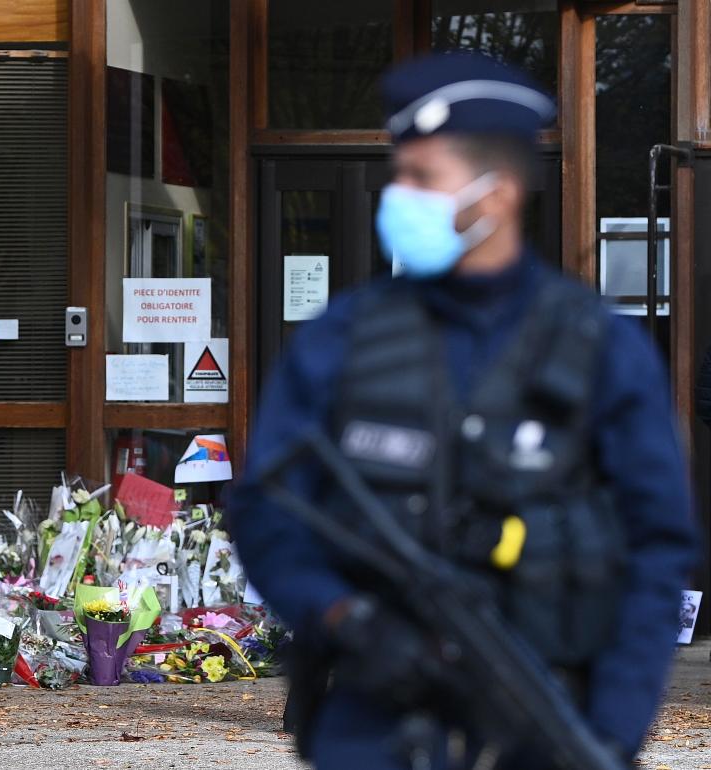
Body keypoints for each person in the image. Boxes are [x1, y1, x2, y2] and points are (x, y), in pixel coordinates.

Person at [231, 52, 697, 769]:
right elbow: (267, 509)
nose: (400, 195)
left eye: (424, 178)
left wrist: (613, 726)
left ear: (499, 191)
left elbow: (656, 547)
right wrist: (338, 612)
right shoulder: (343, 339)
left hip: (549, 723)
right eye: (401, 175)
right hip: (375, 727)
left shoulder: (601, 348)